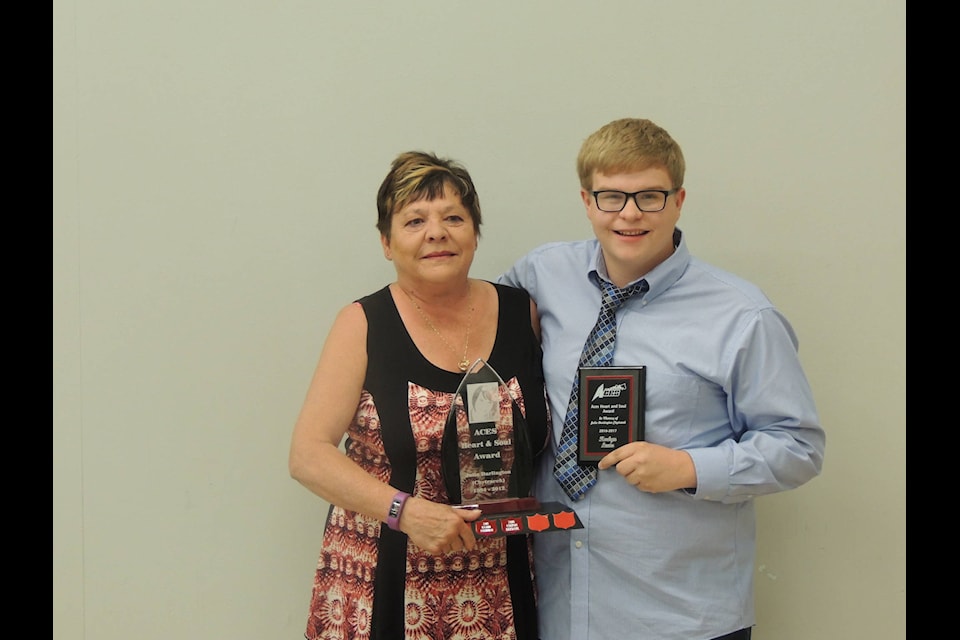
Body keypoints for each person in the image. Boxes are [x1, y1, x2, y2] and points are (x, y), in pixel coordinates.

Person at [497, 117, 826, 640]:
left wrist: (688, 467)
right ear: (586, 201)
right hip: (558, 606)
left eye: (649, 196)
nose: (629, 213)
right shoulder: (541, 277)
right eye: (611, 197)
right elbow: (472, 335)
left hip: (681, 615)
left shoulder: (741, 316)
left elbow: (799, 447)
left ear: (679, 199)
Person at [289, 151, 549, 640]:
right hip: (386, 578)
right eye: (414, 221)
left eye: (454, 217)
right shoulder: (364, 324)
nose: (437, 232)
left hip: (502, 587)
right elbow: (308, 455)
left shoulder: (522, 314)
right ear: (387, 243)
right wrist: (404, 512)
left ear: (475, 232)